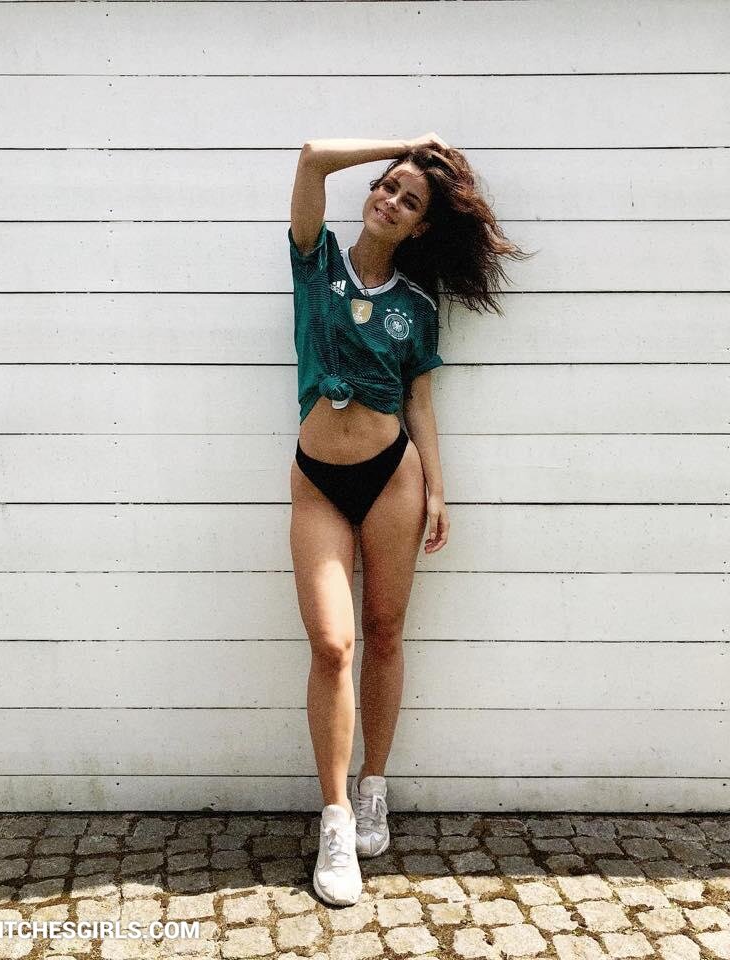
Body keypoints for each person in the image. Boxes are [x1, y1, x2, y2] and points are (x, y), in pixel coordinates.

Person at [287, 134, 531, 906]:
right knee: (333, 646)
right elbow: (311, 158)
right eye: (387, 187)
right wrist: (406, 145)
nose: (389, 200)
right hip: (318, 483)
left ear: (421, 225)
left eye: (409, 200)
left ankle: (372, 788)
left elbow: (420, 399)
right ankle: (333, 820)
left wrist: (437, 489)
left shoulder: (417, 307)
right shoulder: (315, 261)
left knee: (385, 633)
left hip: (394, 477)